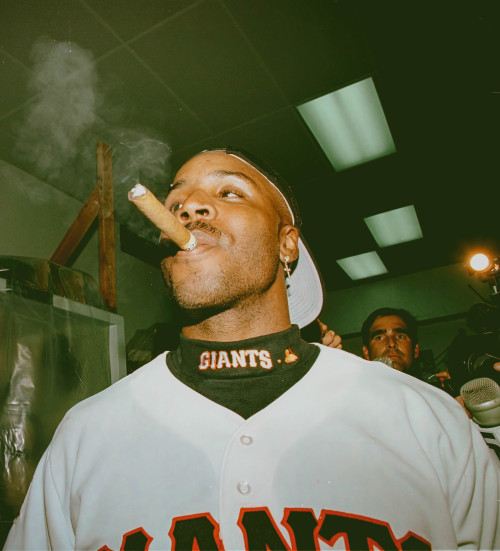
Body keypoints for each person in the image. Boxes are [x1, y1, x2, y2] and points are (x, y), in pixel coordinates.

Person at [5, 148, 500, 551]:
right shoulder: (87, 433)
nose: (189, 208)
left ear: (288, 245)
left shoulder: (425, 419)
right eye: (177, 198)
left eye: (227, 192)